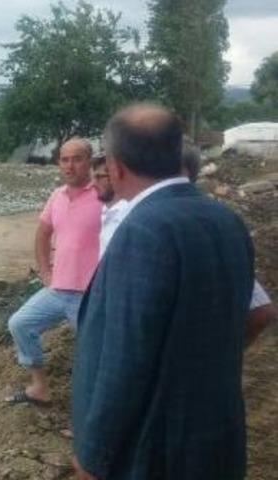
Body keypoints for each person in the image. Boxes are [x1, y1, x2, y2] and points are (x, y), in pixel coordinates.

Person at [72, 104, 254, 480]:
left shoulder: (143, 231)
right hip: (217, 436)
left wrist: (93, 457)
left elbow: (123, 360)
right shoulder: (226, 220)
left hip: (156, 450)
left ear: (117, 166)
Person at [102, 145, 276, 348]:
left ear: (184, 174)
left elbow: (261, 311)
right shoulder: (125, 215)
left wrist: (214, 354)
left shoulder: (157, 228)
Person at [5, 138, 103, 406]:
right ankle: (39, 387)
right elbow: (42, 235)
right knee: (20, 324)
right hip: (58, 289)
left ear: (90, 162)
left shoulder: (104, 196)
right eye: (64, 159)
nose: (70, 166)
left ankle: (93, 417)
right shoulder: (56, 196)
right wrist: (45, 272)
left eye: (77, 159)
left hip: (91, 295)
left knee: (94, 357)